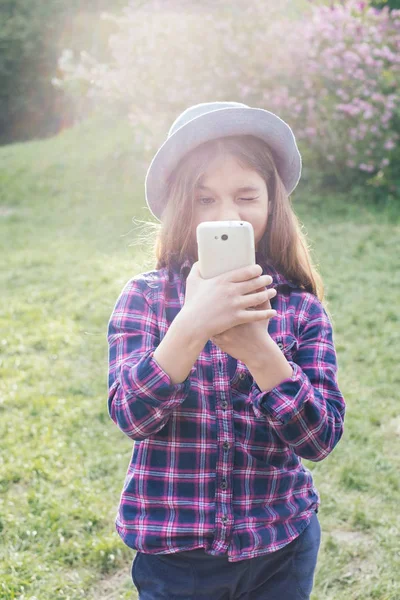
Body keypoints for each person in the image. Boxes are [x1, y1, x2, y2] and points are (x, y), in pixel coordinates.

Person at [107, 101, 346, 600]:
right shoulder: (146, 298)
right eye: (205, 199)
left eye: (245, 197)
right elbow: (131, 415)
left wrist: (260, 353)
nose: (228, 216)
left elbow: (319, 439)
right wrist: (190, 326)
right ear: (181, 206)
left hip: (280, 545)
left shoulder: (301, 309)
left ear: (272, 204)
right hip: (174, 554)